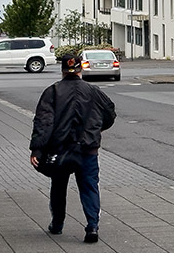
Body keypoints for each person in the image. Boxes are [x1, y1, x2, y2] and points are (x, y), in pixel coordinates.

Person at [29, 54, 116, 244]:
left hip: (60, 150)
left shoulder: (52, 91)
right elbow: (110, 112)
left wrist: (37, 148)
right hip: (87, 149)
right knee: (89, 186)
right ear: (80, 69)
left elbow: (43, 122)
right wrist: (97, 128)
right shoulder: (93, 91)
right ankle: (92, 226)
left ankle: (57, 223)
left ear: (62, 71)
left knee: (59, 186)